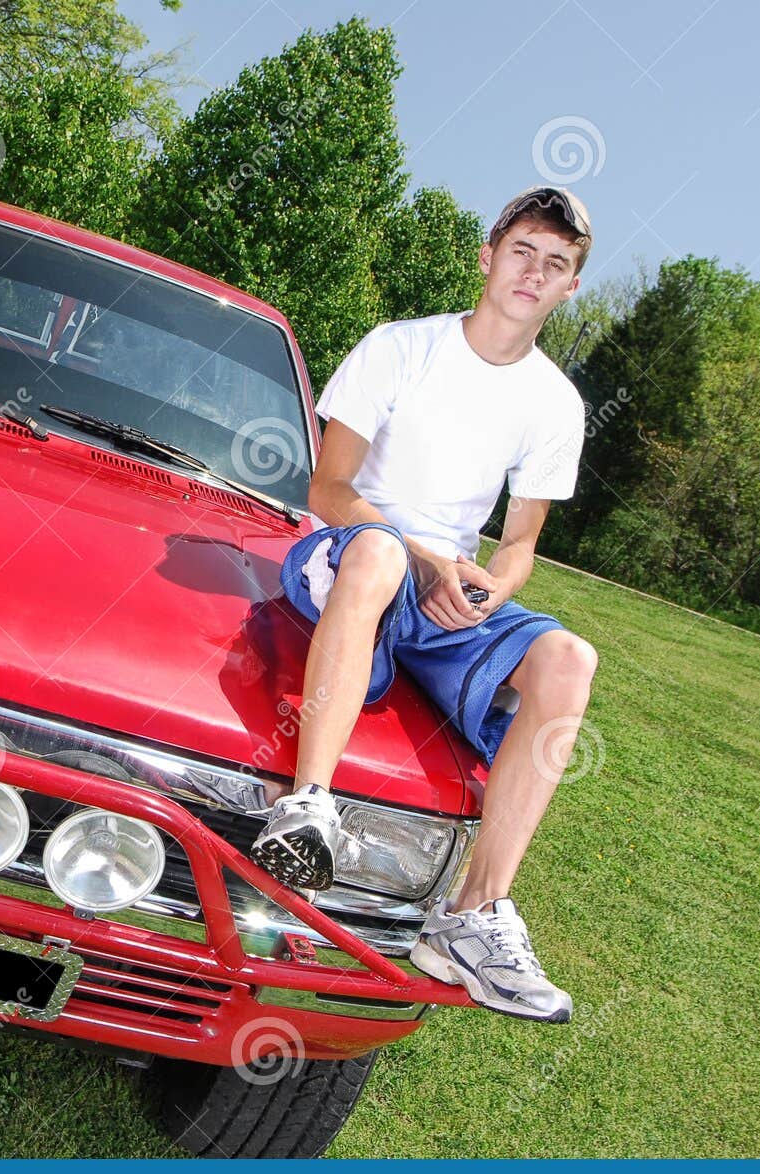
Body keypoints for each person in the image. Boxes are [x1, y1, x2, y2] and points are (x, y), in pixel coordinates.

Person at [249, 185, 599, 1024]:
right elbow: (329, 488)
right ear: (488, 256)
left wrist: (491, 586)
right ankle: (306, 807)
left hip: (447, 593)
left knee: (569, 659)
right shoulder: (401, 348)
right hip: (356, 554)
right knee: (377, 548)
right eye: (522, 250)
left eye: (555, 263)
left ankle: (472, 916)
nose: (533, 271)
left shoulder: (556, 403)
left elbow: (519, 542)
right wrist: (426, 556)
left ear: (569, 289)